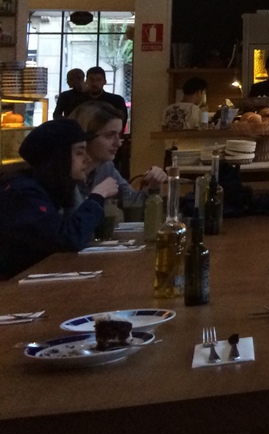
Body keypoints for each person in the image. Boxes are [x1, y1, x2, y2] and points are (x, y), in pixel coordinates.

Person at [0, 120, 119, 279]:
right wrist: (97, 197)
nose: (87, 159)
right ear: (58, 158)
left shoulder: (48, 187)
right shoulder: (23, 193)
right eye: (79, 152)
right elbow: (68, 239)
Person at [73, 101, 167, 201]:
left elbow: (130, 200)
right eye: (109, 135)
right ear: (85, 136)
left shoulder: (105, 166)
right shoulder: (65, 172)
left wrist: (153, 187)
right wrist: (97, 196)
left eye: (119, 135)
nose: (118, 143)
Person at [56, 67, 128, 130]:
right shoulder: (69, 98)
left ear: (104, 81)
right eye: (91, 80)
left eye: (98, 80)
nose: (94, 83)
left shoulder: (116, 100)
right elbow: (57, 115)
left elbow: (122, 121)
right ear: (86, 81)